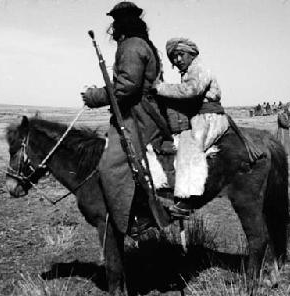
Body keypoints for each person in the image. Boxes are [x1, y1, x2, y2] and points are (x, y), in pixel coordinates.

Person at [81, 2, 166, 234]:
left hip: (139, 116)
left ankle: (138, 218)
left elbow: (126, 87)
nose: (113, 27)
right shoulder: (141, 44)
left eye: (116, 22)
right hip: (138, 112)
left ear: (123, 23)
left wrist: (94, 96)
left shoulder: (131, 46)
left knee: (112, 166)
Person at [154, 37, 262, 216]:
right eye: (174, 57)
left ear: (191, 53)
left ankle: (189, 201)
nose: (177, 60)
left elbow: (191, 90)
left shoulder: (199, 68)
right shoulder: (189, 71)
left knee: (190, 151)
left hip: (209, 118)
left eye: (180, 55)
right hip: (199, 118)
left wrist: (159, 88)